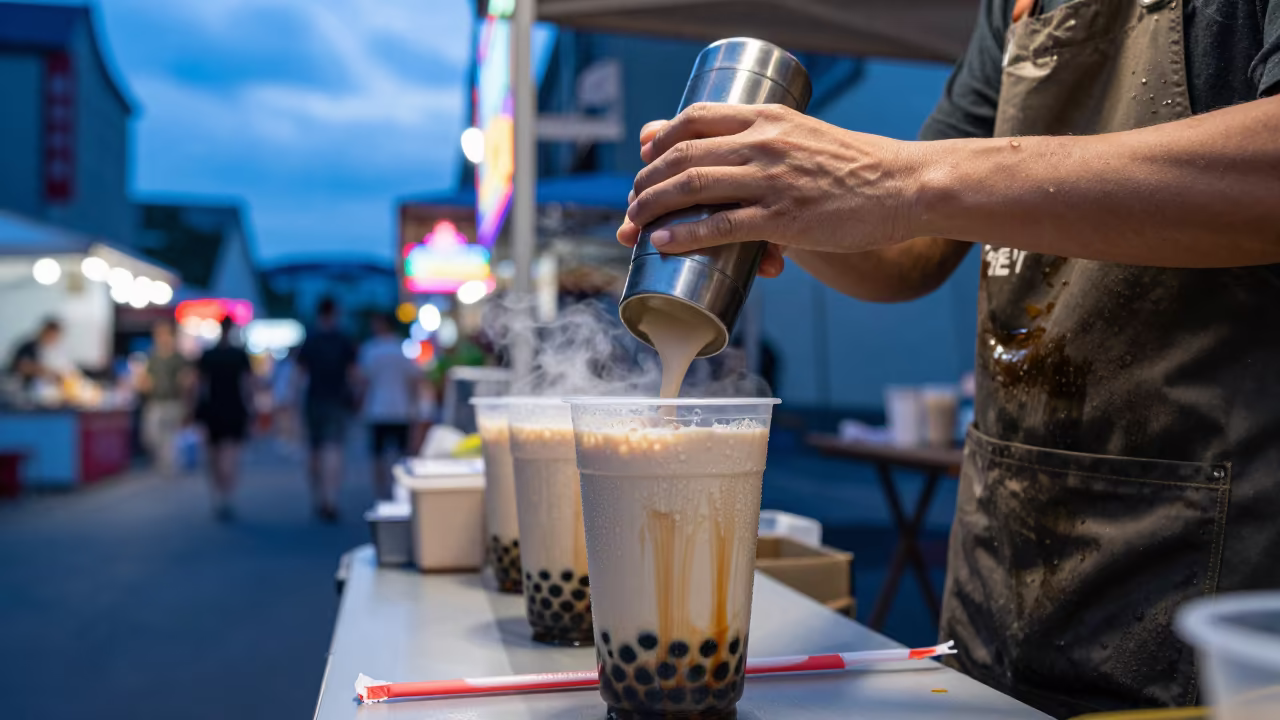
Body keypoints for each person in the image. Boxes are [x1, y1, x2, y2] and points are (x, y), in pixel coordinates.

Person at [618, 4, 1280, 716]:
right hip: (1004, 566)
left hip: (1214, 590)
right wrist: (767, 196)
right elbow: (911, 254)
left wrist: (904, 176)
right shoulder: (1017, 8)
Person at [296, 297, 356, 522]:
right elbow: (353, 374)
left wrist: (291, 405)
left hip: (314, 399)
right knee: (334, 449)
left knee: (314, 448)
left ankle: (318, 496)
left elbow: (299, 376)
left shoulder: (310, 339)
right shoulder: (343, 339)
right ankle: (331, 499)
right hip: (337, 400)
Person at [355, 312, 421, 500]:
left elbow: (362, 381)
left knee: (378, 456)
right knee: (402, 454)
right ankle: (399, 491)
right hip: (401, 409)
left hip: (376, 409)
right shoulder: (403, 349)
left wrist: (359, 405)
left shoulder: (370, 350)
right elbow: (415, 380)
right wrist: (415, 407)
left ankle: (381, 493)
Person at [194, 317, 253, 521]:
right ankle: (227, 496)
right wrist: (250, 409)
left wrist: (195, 410)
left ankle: (218, 496)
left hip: (212, 410)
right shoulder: (239, 355)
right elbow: (247, 386)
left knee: (213, 455)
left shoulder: (208, 355)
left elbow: (199, 386)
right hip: (234, 409)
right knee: (231, 455)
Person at [137, 319, 190, 477]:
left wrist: (187, 398)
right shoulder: (152, 357)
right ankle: (164, 461)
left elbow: (187, 379)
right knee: (150, 435)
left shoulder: (179, 358)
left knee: (171, 436)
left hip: (173, 402)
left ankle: (170, 466)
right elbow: (145, 378)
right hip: (155, 402)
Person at [7, 318, 63, 389]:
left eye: (55, 336)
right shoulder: (29, 347)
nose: (52, 338)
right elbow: (21, 367)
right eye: (51, 335)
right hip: (19, 388)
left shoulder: (52, 351)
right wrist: (45, 371)